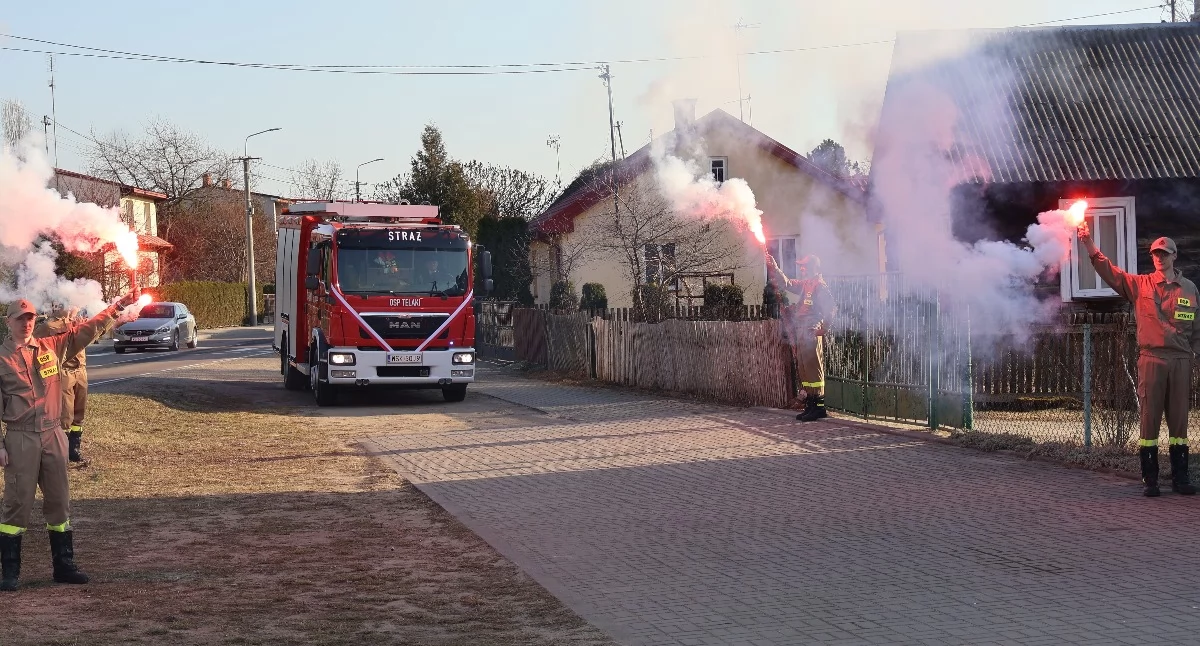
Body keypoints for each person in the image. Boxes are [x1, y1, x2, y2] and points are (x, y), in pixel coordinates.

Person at [0, 292, 138, 591]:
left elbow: (86, 331)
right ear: (8, 322)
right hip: (21, 437)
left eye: (30, 318)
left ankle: (64, 566)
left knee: (59, 502)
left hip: (53, 434)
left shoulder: (52, 346)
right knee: (16, 504)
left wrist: (118, 307)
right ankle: (10, 573)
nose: (26, 323)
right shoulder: (1, 358)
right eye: (20, 319)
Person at [1079, 226, 1200, 497]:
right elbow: (1111, 273)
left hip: (1181, 360)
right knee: (1149, 418)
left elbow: (1197, 329)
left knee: (1179, 421)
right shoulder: (1140, 285)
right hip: (1152, 358)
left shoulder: (1190, 289)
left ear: (1175, 255)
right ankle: (1151, 479)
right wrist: (1089, 244)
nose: (1159, 257)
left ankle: (1181, 478)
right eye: (1155, 253)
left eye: (1164, 253)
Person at [765, 252, 836, 422]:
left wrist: (823, 329)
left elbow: (831, 308)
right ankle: (811, 405)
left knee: (813, 370)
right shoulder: (806, 284)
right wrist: (775, 267)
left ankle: (819, 407)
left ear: (812, 267)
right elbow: (787, 283)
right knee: (805, 370)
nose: (802, 269)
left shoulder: (819, 285)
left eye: (804, 266)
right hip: (802, 331)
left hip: (811, 331)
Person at [33, 305, 90, 465]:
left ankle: (74, 450)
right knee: (65, 414)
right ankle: (61, 452)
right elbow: (37, 337)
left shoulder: (77, 320)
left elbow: (94, 331)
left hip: (80, 370)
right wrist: (71, 322)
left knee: (79, 413)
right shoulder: (49, 325)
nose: (75, 306)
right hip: (64, 371)